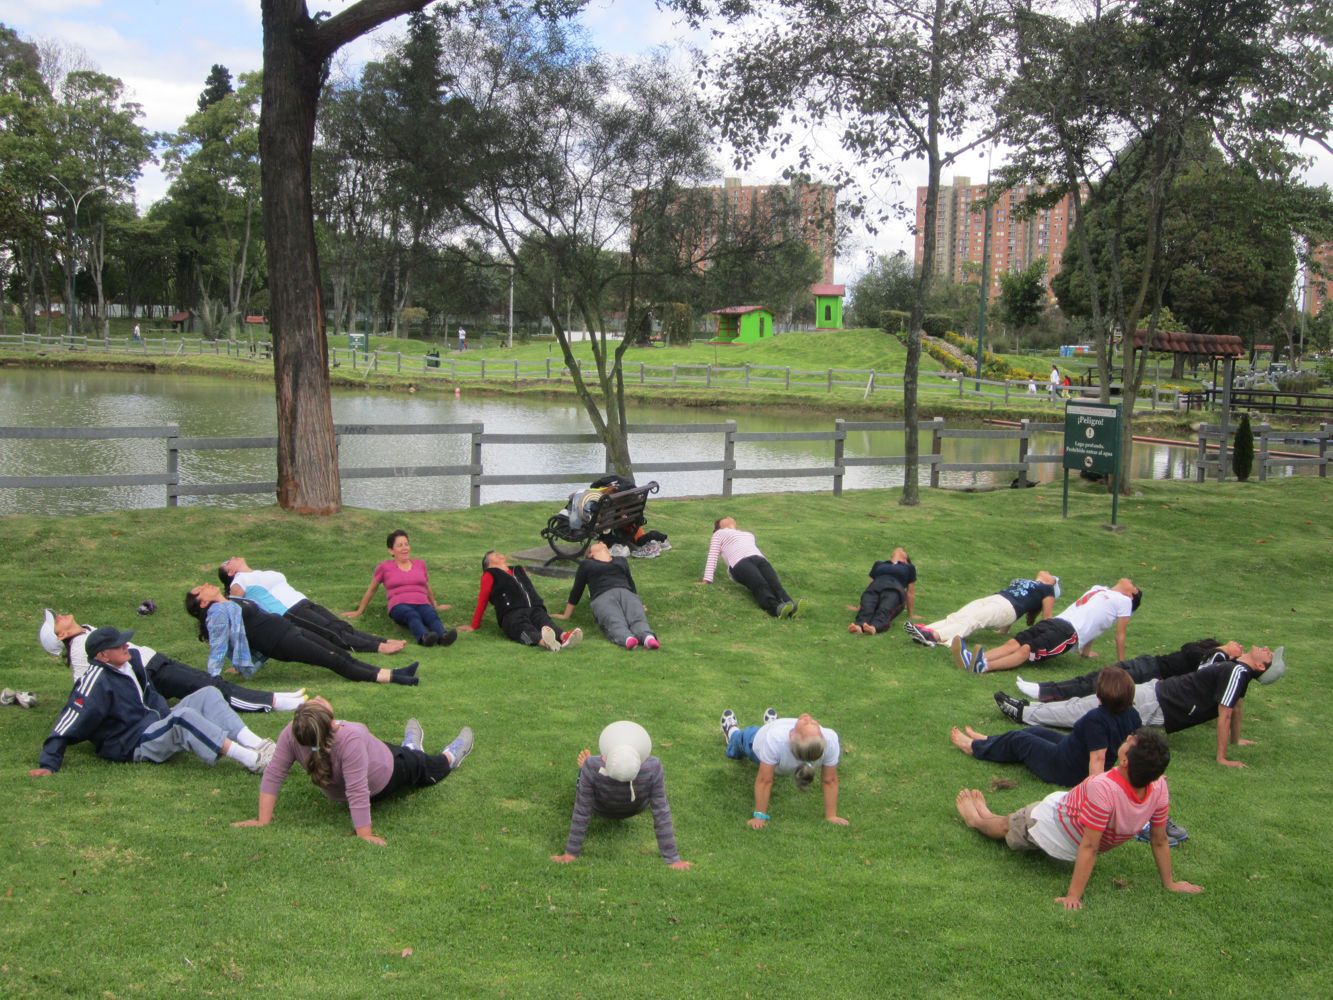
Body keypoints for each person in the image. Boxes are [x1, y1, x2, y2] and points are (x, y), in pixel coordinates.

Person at [954, 728, 1202, 909]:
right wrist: (1169, 883)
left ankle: (975, 820)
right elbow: (1158, 839)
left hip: (1049, 823)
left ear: (1125, 761)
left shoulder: (1104, 788)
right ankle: (985, 814)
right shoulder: (1158, 786)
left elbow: (1091, 845)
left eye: (1130, 742)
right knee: (1011, 820)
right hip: (1064, 809)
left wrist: (1073, 896)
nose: (1127, 738)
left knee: (1006, 826)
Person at [30, 626, 277, 777]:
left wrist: (164, 715)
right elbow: (70, 718)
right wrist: (49, 763)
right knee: (183, 718)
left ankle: (259, 745)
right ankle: (253, 761)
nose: (125, 645)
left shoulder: (131, 660)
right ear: (102, 656)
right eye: (117, 645)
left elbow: (150, 695)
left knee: (209, 693)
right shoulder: (94, 681)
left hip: (155, 723)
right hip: (134, 743)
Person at [234, 696, 473, 846]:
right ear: (331, 722)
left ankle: (410, 746)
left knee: (402, 752)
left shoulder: (294, 732)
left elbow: (274, 774)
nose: (318, 697)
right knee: (422, 765)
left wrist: (262, 820)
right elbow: (358, 790)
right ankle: (450, 757)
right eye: (317, 702)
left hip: (376, 755)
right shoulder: (350, 736)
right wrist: (364, 834)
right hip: (388, 773)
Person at [995, 645, 1285, 768]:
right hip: (1158, 696)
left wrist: (1222, 757)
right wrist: (1236, 740)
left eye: (1269, 655)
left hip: (1158, 702)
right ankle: (1030, 710)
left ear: (1261, 667)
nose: (1267, 649)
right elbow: (1236, 707)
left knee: (1087, 710)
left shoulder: (1238, 672)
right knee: (1087, 706)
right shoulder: (1237, 671)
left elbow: (1227, 712)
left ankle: (1024, 712)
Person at [39, 609, 305, 713]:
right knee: (212, 688)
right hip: (150, 672)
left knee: (210, 682)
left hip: (155, 661)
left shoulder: (85, 631)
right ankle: (274, 702)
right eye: (56, 622)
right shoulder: (78, 648)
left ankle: (273, 697)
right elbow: (85, 686)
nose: (60, 615)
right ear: (60, 636)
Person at [186, 584, 421, 686]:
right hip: (280, 641)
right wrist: (212, 678)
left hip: (286, 628)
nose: (206, 585)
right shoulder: (217, 613)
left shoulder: (231, 600)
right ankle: (392, 678)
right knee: (333, 659)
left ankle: (393, 672)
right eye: (200, 590)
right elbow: (218, 647)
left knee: (338, 652)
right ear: (203, 602)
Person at [950, 666, 1141, 786]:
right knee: (1034, 731)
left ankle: (973, 747)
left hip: (1064, 769)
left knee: (1020, 740)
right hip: (1070, 752)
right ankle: (988, 740)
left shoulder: (1097, 719)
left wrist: (1094, 793)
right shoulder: (1132, 714)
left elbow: (1098, 759)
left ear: (1100, 694)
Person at [551, 721, 689, 868]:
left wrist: (571, 853)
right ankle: (597, 774)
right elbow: (661, 812)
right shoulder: (653, 766)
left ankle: (586, 772)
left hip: (601, 808)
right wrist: (673, 859)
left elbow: (582, 811)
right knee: (656, 795)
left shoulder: (592, 765)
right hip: (635, 807)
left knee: (587, 771)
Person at [218, 556, 406, 654]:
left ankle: (381, 640)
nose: (233, 557)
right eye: (228, 561)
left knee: (339, 625)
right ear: (230, 572)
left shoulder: (257, 573)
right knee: (331, 632)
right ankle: (378, 648)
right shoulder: (238, 581)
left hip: (303, 602)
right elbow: (236, 610)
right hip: (288, 611)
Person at [954, 579, 1141, 674]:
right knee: (1013, 643)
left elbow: (1120, 634)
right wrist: (1086, 652)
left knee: (1026, 650)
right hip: (1055, 622)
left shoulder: (1124, 601)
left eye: (1134, 585)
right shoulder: (1099, 588)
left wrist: (1122, 664)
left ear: (1131, 594)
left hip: (1069, 633)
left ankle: (984, 666)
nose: (1130, 581)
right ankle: (973, 659)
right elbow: (1096, 620)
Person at [720, 708, 847, 829]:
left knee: (739, 740)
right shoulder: (829, 739)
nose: (808, 719)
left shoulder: (776, 739)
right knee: (772, 745)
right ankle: (771, 723)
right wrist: (831, 815)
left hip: (758, 742)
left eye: (808, 724)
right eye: (813, 723)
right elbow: (830, 780)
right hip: (775, 739)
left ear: (791, 736)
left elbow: (765, 781)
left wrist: (759, 816)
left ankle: (731, 730)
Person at [1014, 638, 1238, 703]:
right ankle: (1045, 689)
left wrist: (1223, 651)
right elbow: (1188, 648)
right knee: (1093, 679)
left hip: (1151, 674)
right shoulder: (1208, 653)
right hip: (1148, 663)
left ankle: (1045, 693)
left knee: (1095, 684)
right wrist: (1220, 647)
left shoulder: (1214, 662)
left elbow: (1196, 665)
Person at [344, 530, 457, 648]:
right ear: (391, 550)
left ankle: (443, 637)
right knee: (412, 615)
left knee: (431, 615)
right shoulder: (384, 567)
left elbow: (427, 586)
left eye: (406, 544)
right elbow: (372, 589)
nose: (404, 548)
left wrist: (435, 605)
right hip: (398, 606)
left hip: (422, 603)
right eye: (400, 545)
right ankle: (424, 637)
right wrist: (359, 611)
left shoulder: (420, 564)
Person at [906, 571, 1059, 648]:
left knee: (974, 620)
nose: (1051, 575)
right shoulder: (1030, 582)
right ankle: (926, 630)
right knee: (960, 614)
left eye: (1054, 579)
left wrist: (1046, 637)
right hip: (997, 598)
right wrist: (1003, 631)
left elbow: (1047, 617)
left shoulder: (1048, 590)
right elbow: (1040, 575)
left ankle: (935, 636)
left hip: (1007, 608)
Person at [552, 542, 659, 649]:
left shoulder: (621, 560)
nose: (600, 542)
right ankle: (627, 639)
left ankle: (647, 637)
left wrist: (639, 603)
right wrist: (566, 615)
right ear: (591, 554)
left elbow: (630, 583)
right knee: (613, 620)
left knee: (637, 616)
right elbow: (577, 590)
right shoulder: (587, 564)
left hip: (626, 592)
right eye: (596, 543)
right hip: (602, 596)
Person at [701, 517, 801, 618]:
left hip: (759, 559)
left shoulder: (748, 534)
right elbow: (713, 555)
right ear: (720, 525)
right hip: (739, 562)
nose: (728, 518)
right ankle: (775, 609)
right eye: (724, 518)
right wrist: (707, 579)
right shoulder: (719, 534)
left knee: (774, 583)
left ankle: (790, 606)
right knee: (760, 584)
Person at [849, 546, 915, 635]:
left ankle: (874, 627)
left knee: (885, 608)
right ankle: (859, 626)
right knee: (867, 606)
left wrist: (911, 614)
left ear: (905, 558)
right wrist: (860, 606)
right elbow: (869, 586)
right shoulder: (879, 564)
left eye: (903, 550)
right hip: (875, 586)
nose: (899, 549)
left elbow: (910, 592)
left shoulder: (909, 567)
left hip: (894, 589)